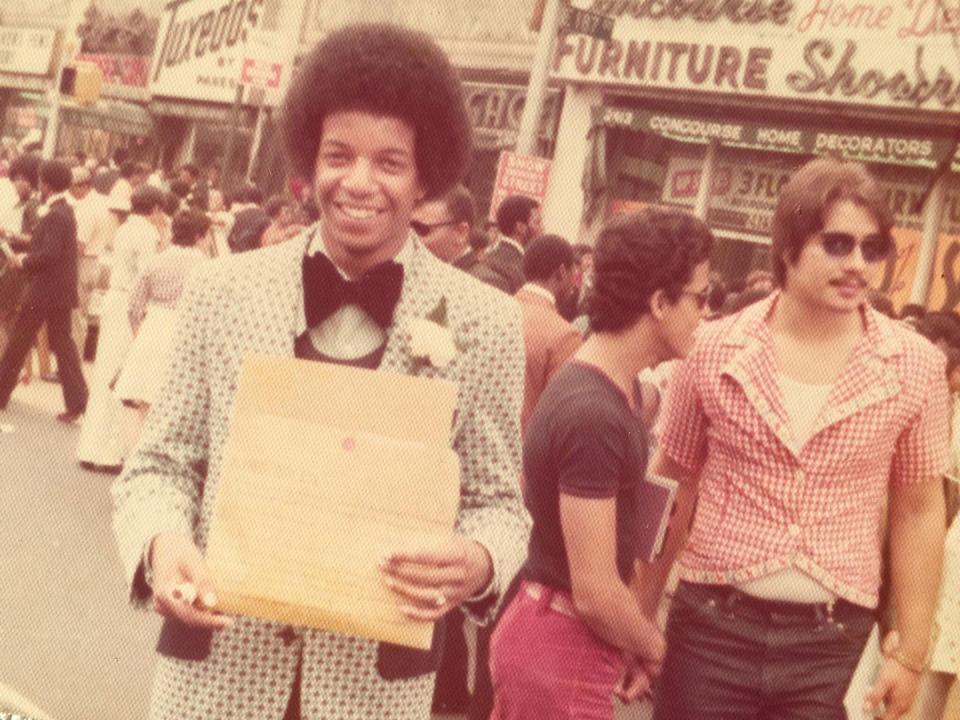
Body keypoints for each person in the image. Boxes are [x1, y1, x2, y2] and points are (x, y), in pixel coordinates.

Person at [110, 23, 529, 720]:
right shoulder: (222, 292)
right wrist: (163, 543)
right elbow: (159, 466)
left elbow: (500, 504)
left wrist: (480, 559)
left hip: (374, 690)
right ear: (309, 158)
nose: (358, 183)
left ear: (426, 175)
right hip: (216, 678)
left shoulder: (485, 321)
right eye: (339, 155)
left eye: (390, 162)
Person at [639, 157, 950, 720]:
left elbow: (919, 509)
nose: (857, 264)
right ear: (788, 247)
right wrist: (638, 614)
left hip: (830, 644)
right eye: (837, 244)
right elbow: (671, 482)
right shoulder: (715, 348)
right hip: (710, 629)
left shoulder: (914, 365)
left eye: (873, 249)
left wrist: (909, 652)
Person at [488, 208, 713, 720]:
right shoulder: (595, 412)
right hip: (561, 644)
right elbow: (594, 590)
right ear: (659, 302)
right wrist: (653, 646)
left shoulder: (617, 388)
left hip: (558, 638)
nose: (706, 313)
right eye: (700, 298)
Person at [76, 185, 166, 472]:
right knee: (122, 375)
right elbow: (147, 274)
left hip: (115, 299)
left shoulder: (125, 228)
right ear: (154, 209)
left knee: (105, 371)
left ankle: (90, 446)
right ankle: (108, 452)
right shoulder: (149, 234)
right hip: (131, 301)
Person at [0, 159, 88, 422]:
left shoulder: (54, 214)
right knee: (63, 343)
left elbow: (48, 254)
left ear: (45, 184)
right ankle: (78, 401)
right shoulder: (64, 211)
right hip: (59, 291)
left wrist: (23, 260)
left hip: (43, 290)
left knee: (18, 340)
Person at [113, 210, 211, 440]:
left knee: (145, 399)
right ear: (199, 237)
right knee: (171, 399)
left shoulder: (155, 261)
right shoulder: (207, 268)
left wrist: (139, 334)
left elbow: (133, 306)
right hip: (185, 330)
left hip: (153, 327)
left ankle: (139, 449)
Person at [515, 234, 583, 434]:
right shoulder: (565, 335)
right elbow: (560, 416)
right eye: (574, 274)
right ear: (562, 272)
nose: (574, 284)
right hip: (523, 456)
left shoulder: (494, 310)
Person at [471, 194, 542, 294]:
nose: (542, 229)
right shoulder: (524, 270)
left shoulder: (482, 258)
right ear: (520, 227)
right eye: (537, 223)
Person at [411, 184, 477, 269]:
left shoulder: (477, 279)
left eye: (420, 229)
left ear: (461, 233)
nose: (409, 237)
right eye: (406, 227)